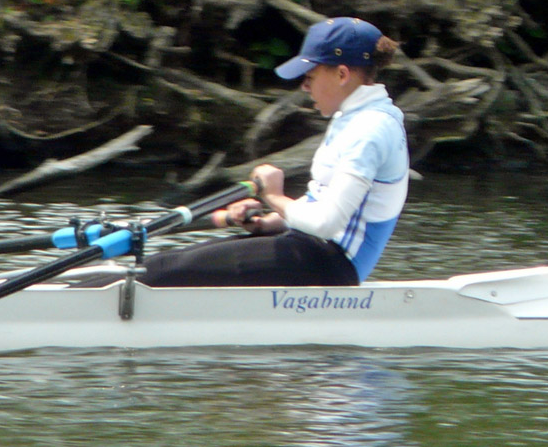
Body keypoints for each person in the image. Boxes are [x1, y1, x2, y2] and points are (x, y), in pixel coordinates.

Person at [123, 17, 408, 287]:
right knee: (162, 263)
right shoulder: (355, 117)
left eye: (310, 76)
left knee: (161, 271)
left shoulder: (370, 129)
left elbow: (324, 222)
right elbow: (321, 204)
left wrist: (273, 196)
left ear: (342, 74)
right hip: (311, 251)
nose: (304, 86)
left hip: (330, 263)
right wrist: (269, 221)